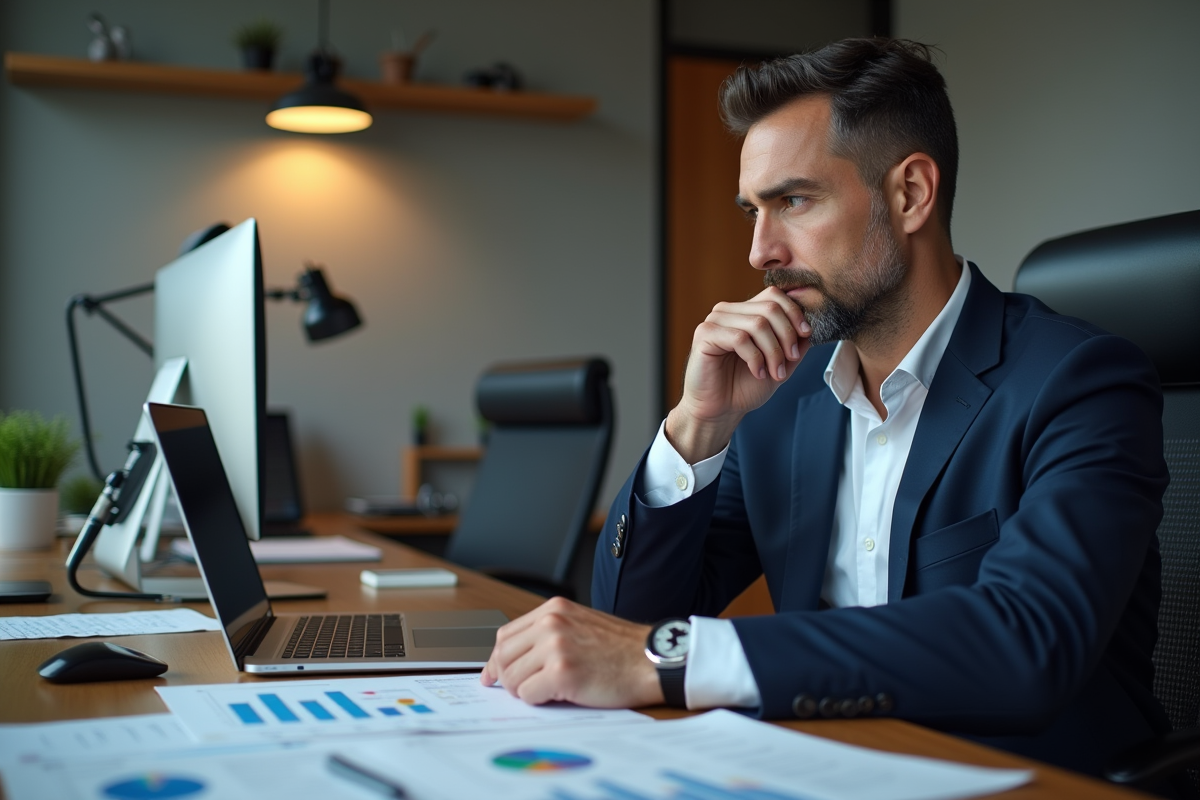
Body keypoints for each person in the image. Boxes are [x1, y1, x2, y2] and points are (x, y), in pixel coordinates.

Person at [481, 37, 1171, 785]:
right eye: (753, 210)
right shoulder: (784, 402)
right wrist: (696, 426)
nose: (759, 251)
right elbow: (632, 626)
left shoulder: (1080, 383)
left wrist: (677, 658)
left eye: (794, 201)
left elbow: (1026, 641)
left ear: (910, 194)